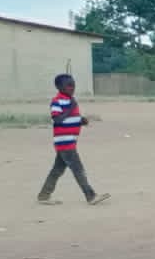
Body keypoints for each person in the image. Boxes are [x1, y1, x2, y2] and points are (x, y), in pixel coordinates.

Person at [37, 74, 110, 205]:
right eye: (69, 85)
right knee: (78, 169)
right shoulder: (57, 101)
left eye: (73, 85)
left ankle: (44, 195)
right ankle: (90, 196)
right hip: (64, 142)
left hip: (69, 141)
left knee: (57, 170)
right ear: (59, 87)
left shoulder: (71, 100)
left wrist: (81, 120)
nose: (72, 88)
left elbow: (71, 118)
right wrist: (70, 108)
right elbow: (57, 119)